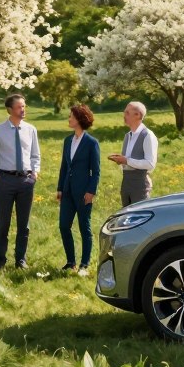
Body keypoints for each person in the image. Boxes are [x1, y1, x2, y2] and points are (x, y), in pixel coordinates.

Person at [0, 93, 40, 269]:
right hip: (5, 180)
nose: (23, 110)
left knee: (24, 224)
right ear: (10, 109)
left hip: (25, 180)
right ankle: (0, 261)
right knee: (3, 223)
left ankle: (20, 260)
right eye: (19, 107)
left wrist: (35, 173)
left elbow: (35, 155)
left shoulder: (31, 129)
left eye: (24, 106)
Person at [55, 103, 101, 275]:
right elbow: (64, 167)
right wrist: (60, 188)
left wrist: (91, 191)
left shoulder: (91, 143)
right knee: (64, 226)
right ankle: (70, 262)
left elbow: (96, 171)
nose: (69, 118)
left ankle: (85, 263)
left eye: (71, 116)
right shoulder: (67, 140)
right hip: (67, 190)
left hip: (84, 192)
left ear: (80, 119)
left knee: (84, 226)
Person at [108, 101, 157, 206]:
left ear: (137, 115)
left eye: (127, 113)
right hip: (126, 182)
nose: (124, 115)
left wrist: (126, 160)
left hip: (140, 184)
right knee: (126, 217)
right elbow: (128, 161)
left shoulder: (148, 135)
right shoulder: (127, 136)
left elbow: (150, 164)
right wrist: (120, 161)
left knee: (139, 218)